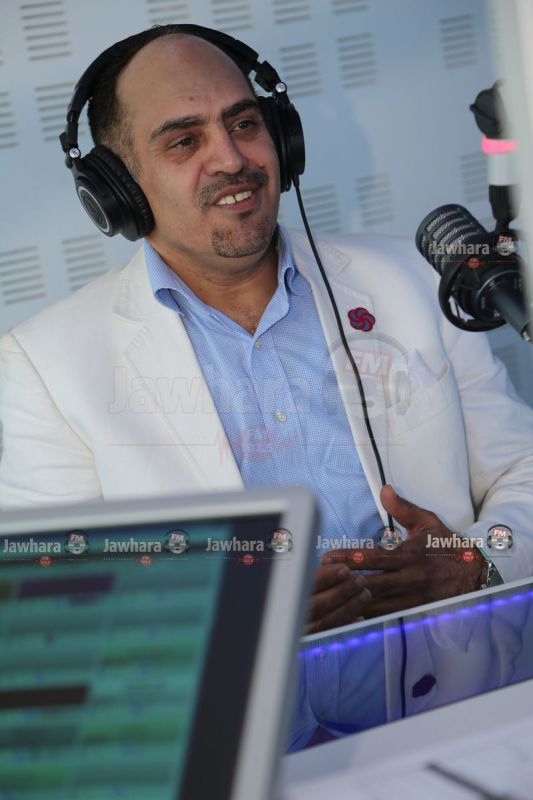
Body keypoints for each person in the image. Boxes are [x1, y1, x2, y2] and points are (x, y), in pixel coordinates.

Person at [1, 25, 533, 641]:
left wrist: (476, 560)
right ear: (117, 188)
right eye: (184, 141)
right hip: (244, 706)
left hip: (465, 690)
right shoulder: (47, 365)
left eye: (246, 124)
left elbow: (521, 470)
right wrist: (228, 624)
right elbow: (46, 603)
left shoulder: (415, 280)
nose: (232, 160)